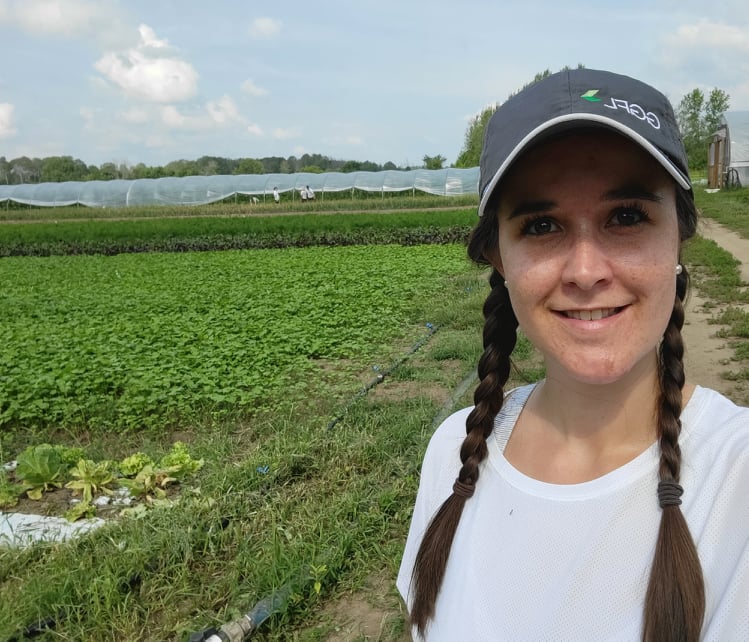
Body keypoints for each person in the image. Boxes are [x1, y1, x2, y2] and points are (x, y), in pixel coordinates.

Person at [397, 68, 749, 642]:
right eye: (541, 225)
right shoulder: (453, 454)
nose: (586, 272)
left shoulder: (737, 478)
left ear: (679, 237)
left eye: (627, 216)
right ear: (499, 258)